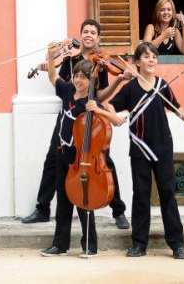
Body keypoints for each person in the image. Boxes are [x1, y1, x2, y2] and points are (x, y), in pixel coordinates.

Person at [22, 19, 131, 229]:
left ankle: (118, 211)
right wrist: (50, 64)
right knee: (53, 158)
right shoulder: (70, 58)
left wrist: (118, 81)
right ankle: (42, 208)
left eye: (92, 32)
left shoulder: (101, 62)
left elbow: (101, 94)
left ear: (98, 39)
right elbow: (62, 83)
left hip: (89, 115)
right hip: (67, 114)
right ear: (80, 35)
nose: (88, 35)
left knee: (103, 161)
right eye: (85, 31)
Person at [108, 42, 184, 260]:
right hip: (139, 147)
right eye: (146, 56)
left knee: (168, 195)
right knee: (141, 196)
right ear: (137, 62)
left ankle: (177, 244)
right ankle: (139, 244)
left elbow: (177, 106)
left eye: (154, 56)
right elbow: (110, 106)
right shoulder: (130, 88)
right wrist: (115, 117)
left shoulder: (163, 85)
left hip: (163, 146)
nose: (151, 59)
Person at [40, 52, 124, 258]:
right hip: (63, 154)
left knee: (84, 201)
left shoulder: (91, 103)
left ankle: (90, 245)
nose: (78, 80)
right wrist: (51, 58)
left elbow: (116, 120)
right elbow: (52, 77)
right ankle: (60, 245)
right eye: (76, 75)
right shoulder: (68, 90)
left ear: (91, 81)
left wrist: (99, 110)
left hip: (82, 159)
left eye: (83, 77)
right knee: (63, 201)